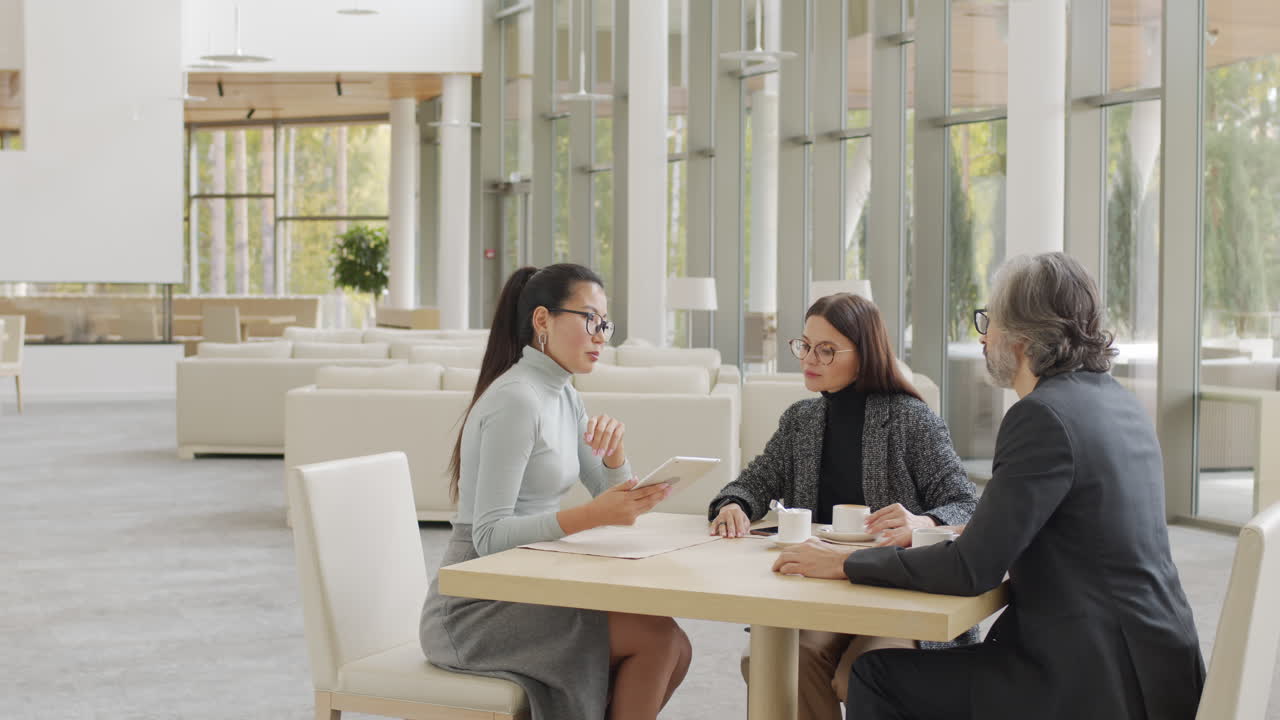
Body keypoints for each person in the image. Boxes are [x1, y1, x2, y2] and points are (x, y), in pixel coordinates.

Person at [774, 253, 1206, 720]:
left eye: (989, 321)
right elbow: (1069, 530)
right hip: (1157, 664)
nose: (984, 337)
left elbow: (970, 572)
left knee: (877, 676)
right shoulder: (1118, 403)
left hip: (1090, 680)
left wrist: (846, 561)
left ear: (1022, 335)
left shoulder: (1041, 417)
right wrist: (956, 530)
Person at [420, 264, 692, 720]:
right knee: (658, 640)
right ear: (542, 320)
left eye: (604, 322)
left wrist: (614, 454)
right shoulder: (516, 400)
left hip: (526, 582)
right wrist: (592, 515)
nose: (601, 335)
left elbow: (612, 494)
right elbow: (488, 536)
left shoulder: (564, 395)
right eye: (589, 319)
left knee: (675, 645)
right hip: (474, 605)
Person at [709, 292, 978, 720]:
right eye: (805, 345)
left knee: (859, 673)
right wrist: (734, 503)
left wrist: (923, 519)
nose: (809, 358)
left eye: (827, 350)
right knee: (779, 661)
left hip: (898, 589)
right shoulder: (802, 420)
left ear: (865, 353)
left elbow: (966, 504)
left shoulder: (912, 418)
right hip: (823, 586)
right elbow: (755, 480)